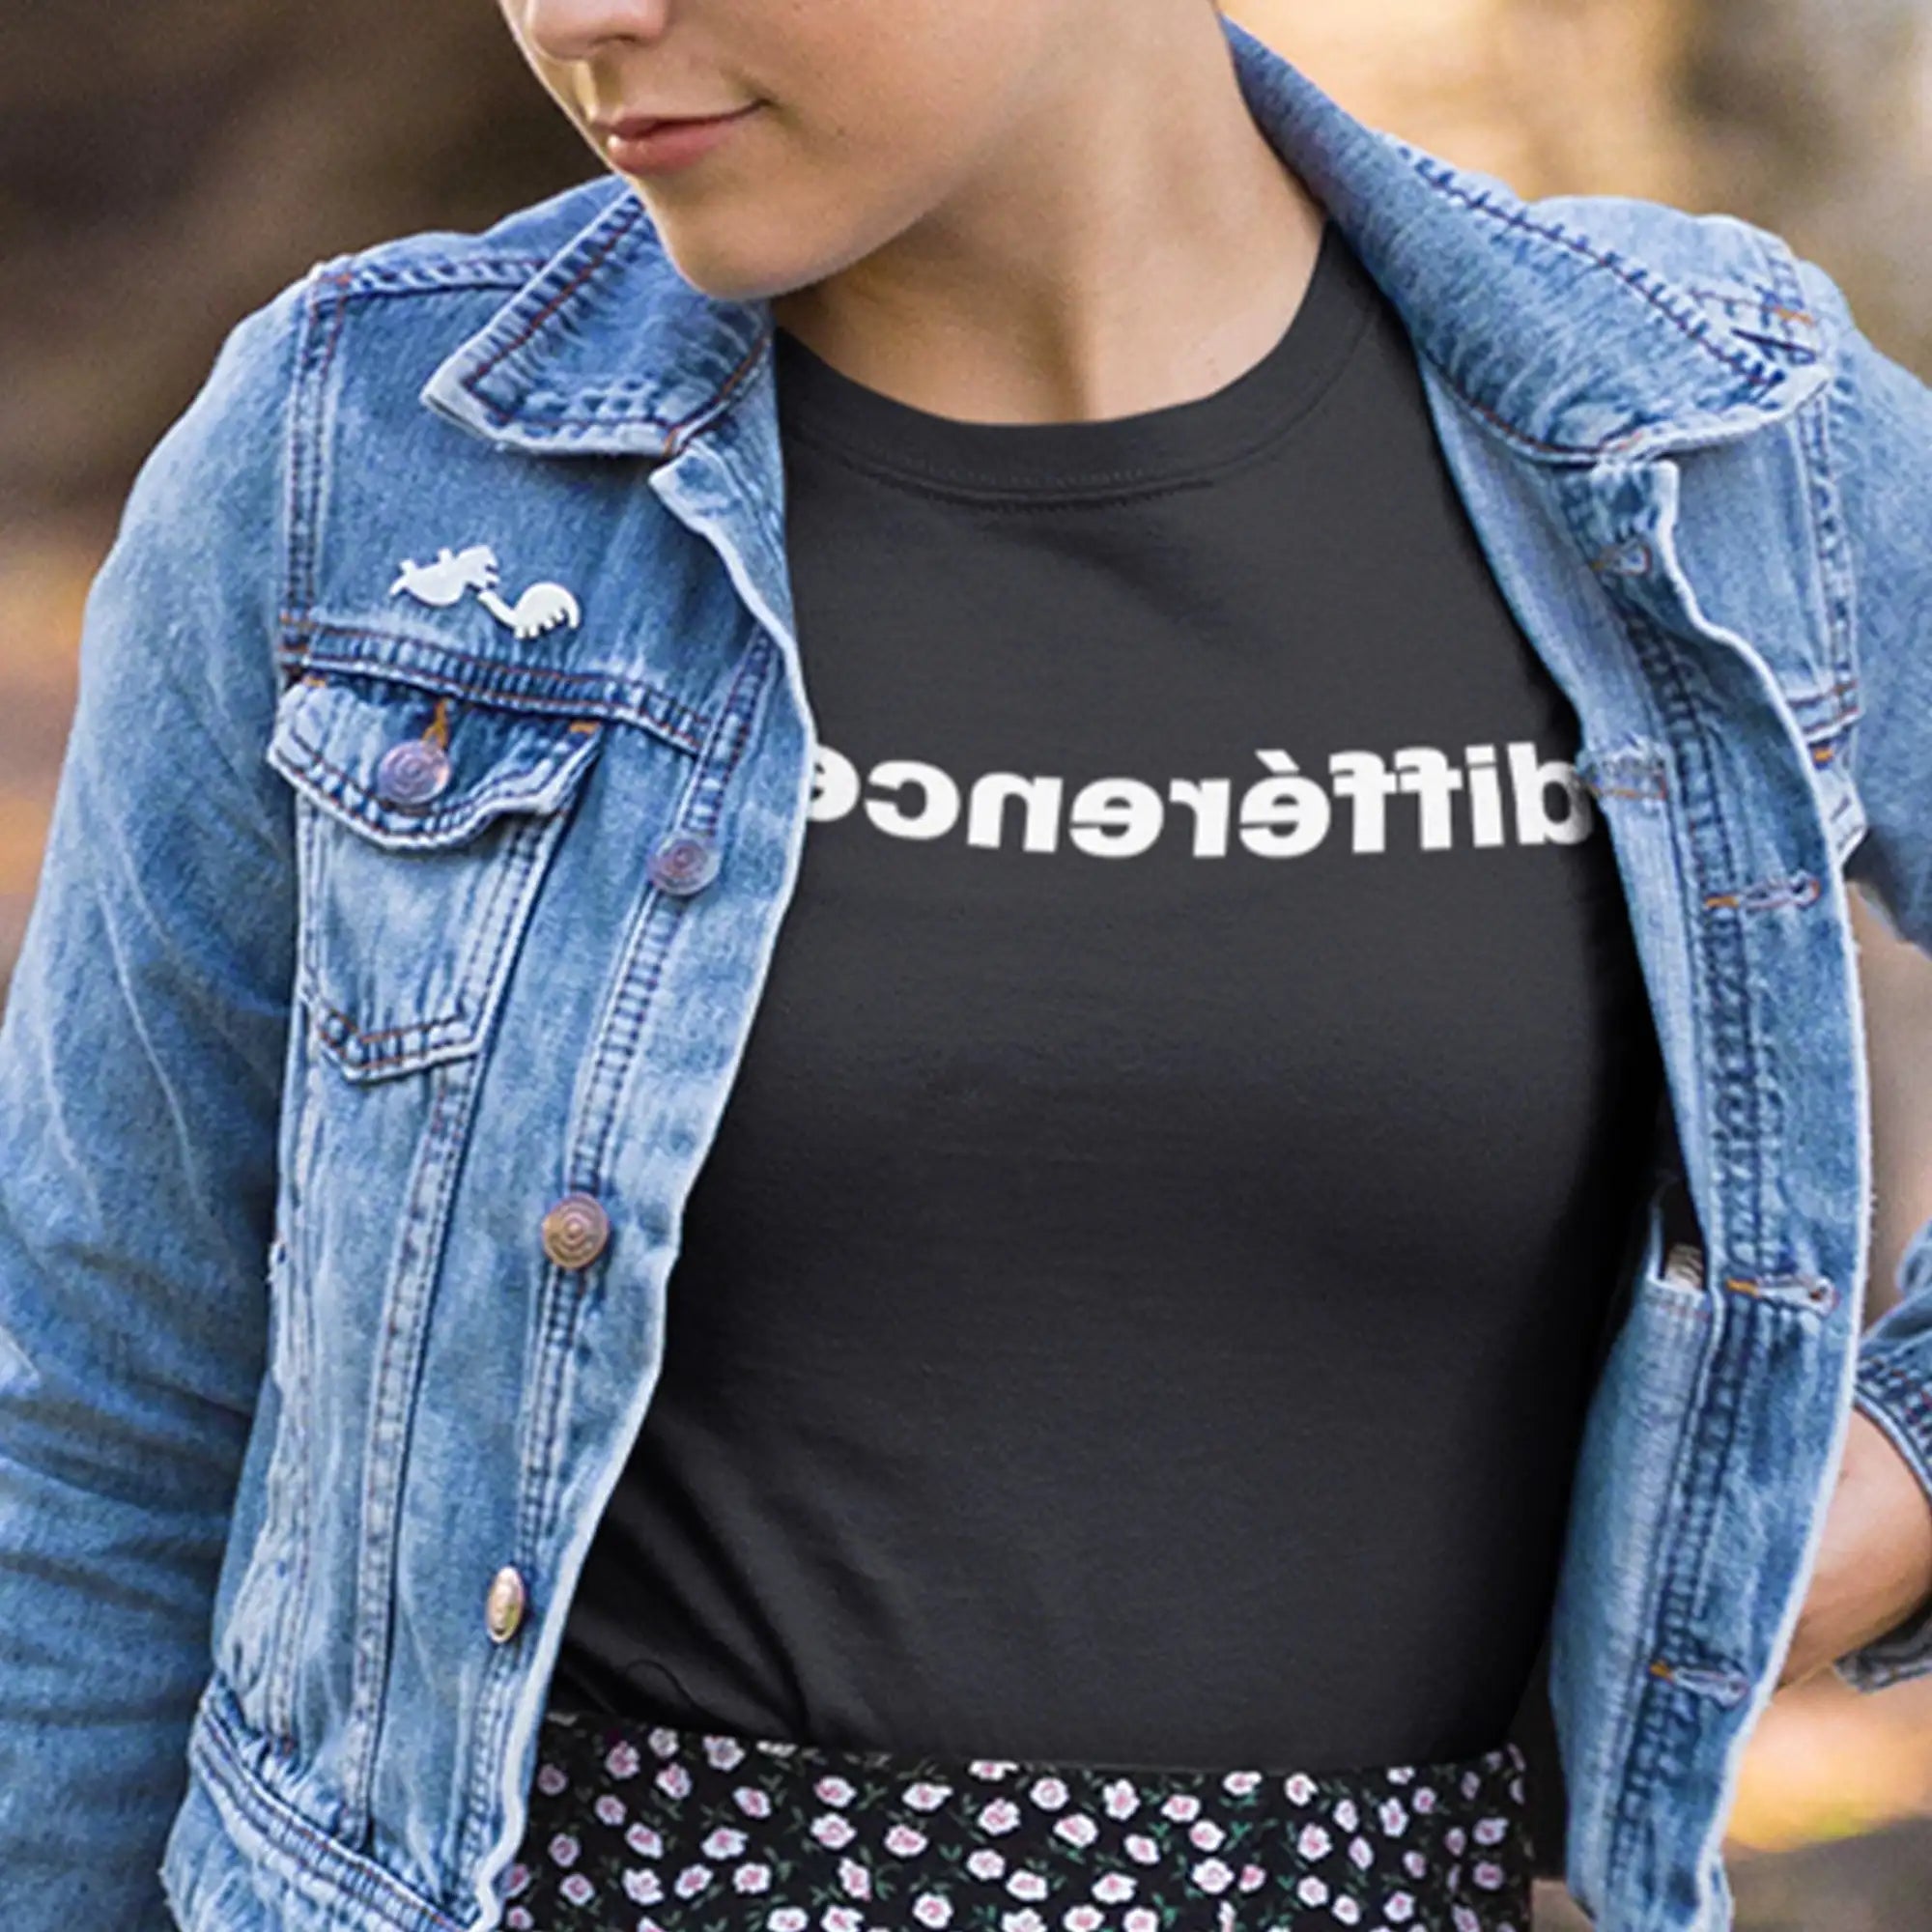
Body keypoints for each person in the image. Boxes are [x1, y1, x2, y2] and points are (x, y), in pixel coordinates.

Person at [3, 3, 1932, 1928]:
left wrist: (1872, 1499)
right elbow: (92, 1436)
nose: (581, 12)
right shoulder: (374, 458)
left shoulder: (1723, 440)